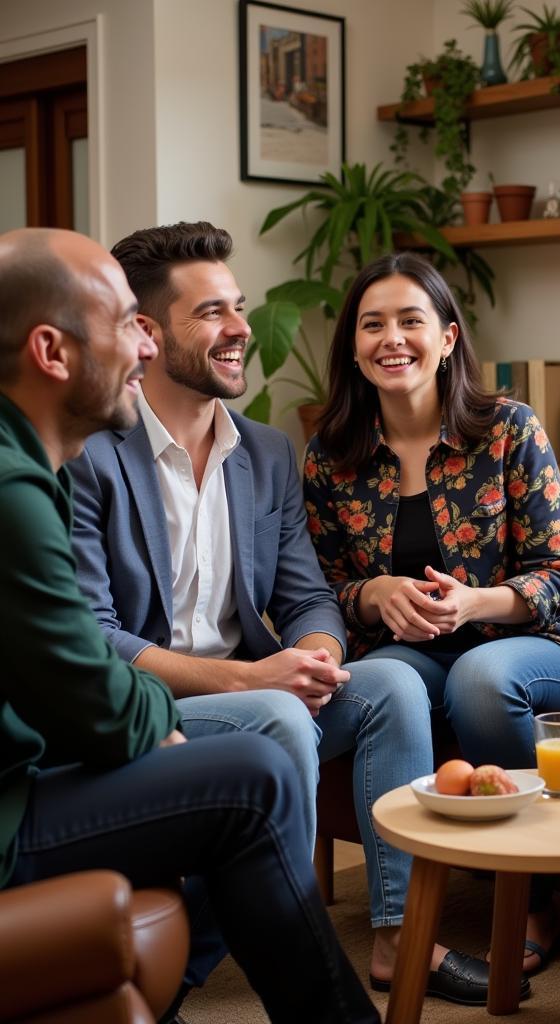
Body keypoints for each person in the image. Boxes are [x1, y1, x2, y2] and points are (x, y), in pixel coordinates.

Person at [68, 223, 475, 1007]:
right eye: (213, 313)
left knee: (388, 687)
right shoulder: (92, 454)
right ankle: (184, 972)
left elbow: (305, 594)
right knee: (279, 722)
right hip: (157, 701)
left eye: (241, 307)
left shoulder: (264, 452)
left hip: (257, 683)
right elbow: (94, 636)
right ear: (147, 335)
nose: (242, 330)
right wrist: (251, 680)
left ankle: (400, 936)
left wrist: (318, 652)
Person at [0, 226, 378, 1024]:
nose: (139, 349)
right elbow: (90, 687)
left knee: (313, 729)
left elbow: (71, 679)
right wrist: (166, 728)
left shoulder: (35, 468)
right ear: (51, 351)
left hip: (31, 769)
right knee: (255, 771)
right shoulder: (14, 491)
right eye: (122, 325)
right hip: (12, 805)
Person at [304, 251, 560, 975]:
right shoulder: (331, 454)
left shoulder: (508, 428)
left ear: (447, 338)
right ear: (353, 344)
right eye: (372, 324)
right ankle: (401, 931)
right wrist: (374, 594)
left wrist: (478, 603)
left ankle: (529, 893)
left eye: (411, 321)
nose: (392, 339)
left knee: (476, 676)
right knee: (386, 685)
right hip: (412, 653)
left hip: (536, 647)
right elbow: (320, 584)